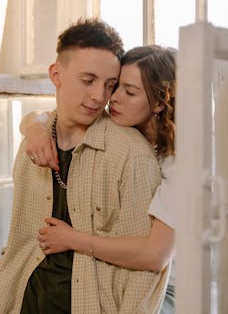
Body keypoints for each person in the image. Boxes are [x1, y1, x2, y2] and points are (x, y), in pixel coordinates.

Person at [0, 18, 167, 314]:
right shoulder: (32, 144)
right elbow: (23, 230)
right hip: (23, 300)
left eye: (110, 85)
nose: (100, 96)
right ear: (56, 74)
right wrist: (3, 273)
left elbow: (146, 275)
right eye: (88, 80)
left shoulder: (132, 155)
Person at [21, 45, 177, 313]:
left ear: (159, 103)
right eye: (115, 87)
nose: (111, 98)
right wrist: (33, 127)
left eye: (129, 92)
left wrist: (71, 239)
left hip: (168, 283)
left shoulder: (176, 163)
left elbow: (155, 256)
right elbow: (46, 114)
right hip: (109, 262)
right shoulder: (118, 133)